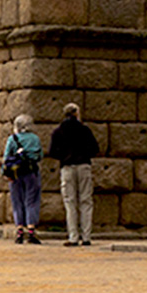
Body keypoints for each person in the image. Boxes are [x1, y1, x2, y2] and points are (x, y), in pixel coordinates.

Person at [48, 101, 101, 247]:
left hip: (67, 167)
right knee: (85, 201)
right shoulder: (85, 130)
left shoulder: (58, 131)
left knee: (70, 202)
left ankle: (73, 236)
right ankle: (86, 237)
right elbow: (95, 148)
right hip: (83, 165)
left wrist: (64, 156)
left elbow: (52, 152)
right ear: (77, 114)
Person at [3, 113, 44, 245]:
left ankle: (19, 231)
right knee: (32, 200)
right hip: (31, 173)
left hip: (15, 174)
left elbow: (6, 157)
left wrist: (5, 173)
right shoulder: (35, 139)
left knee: (17, 201)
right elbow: (40, 156)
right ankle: (31, 230)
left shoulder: (12, 139)